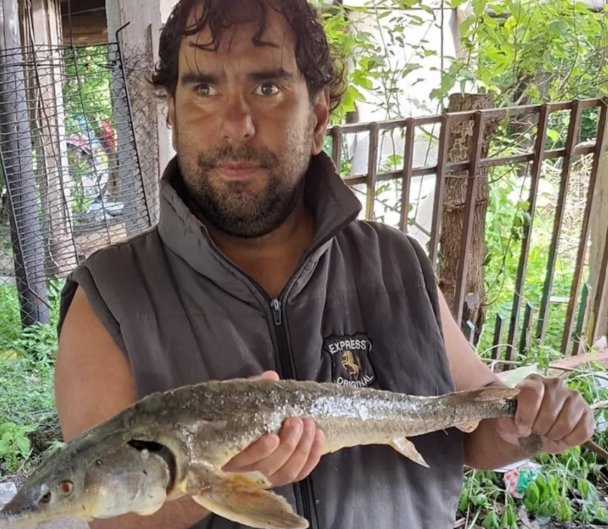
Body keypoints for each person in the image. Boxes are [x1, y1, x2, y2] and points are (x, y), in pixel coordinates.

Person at [54, 0, 595, 528]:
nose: (236, 124)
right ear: (172, 115)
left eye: (267, 87)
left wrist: (533, 426)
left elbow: (474, 427)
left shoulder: (396, 264)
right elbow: (111, 515)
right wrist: (212, 477)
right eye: (204, 89)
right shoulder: (109, 300)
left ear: (316, 117)